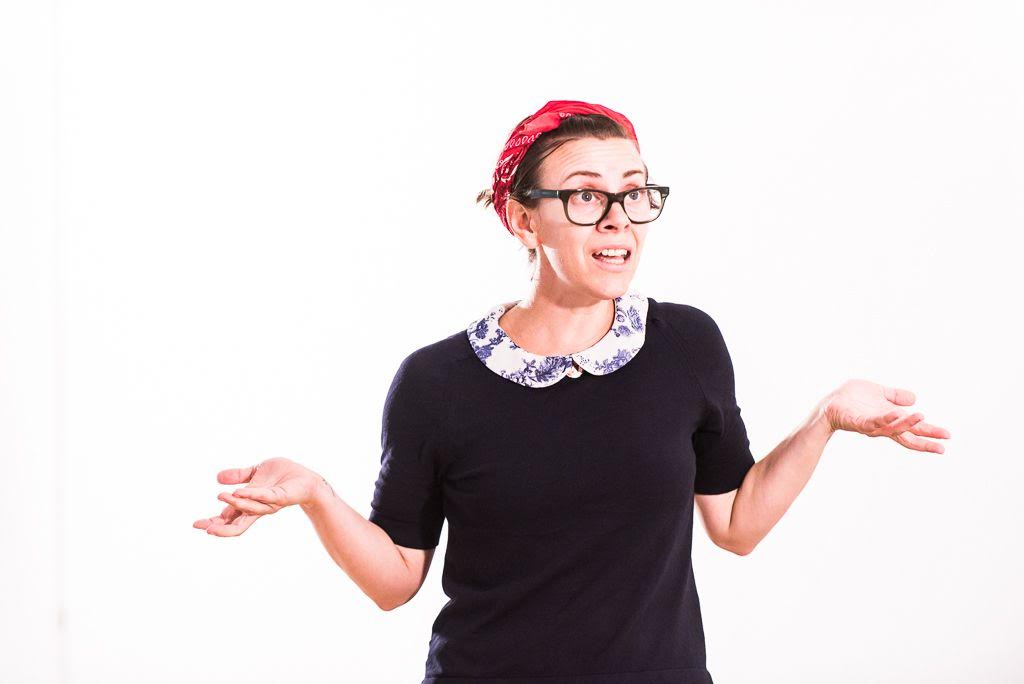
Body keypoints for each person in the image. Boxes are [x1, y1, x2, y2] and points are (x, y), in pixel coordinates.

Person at [193, 100, 951, 683]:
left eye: (633, 193)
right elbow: (397, 581)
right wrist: (317, 495)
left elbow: (737, 524)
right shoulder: (436, 383)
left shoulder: (686, 345)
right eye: (586, 197)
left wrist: (823, 421)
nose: (618, 220)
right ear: (522, 218)